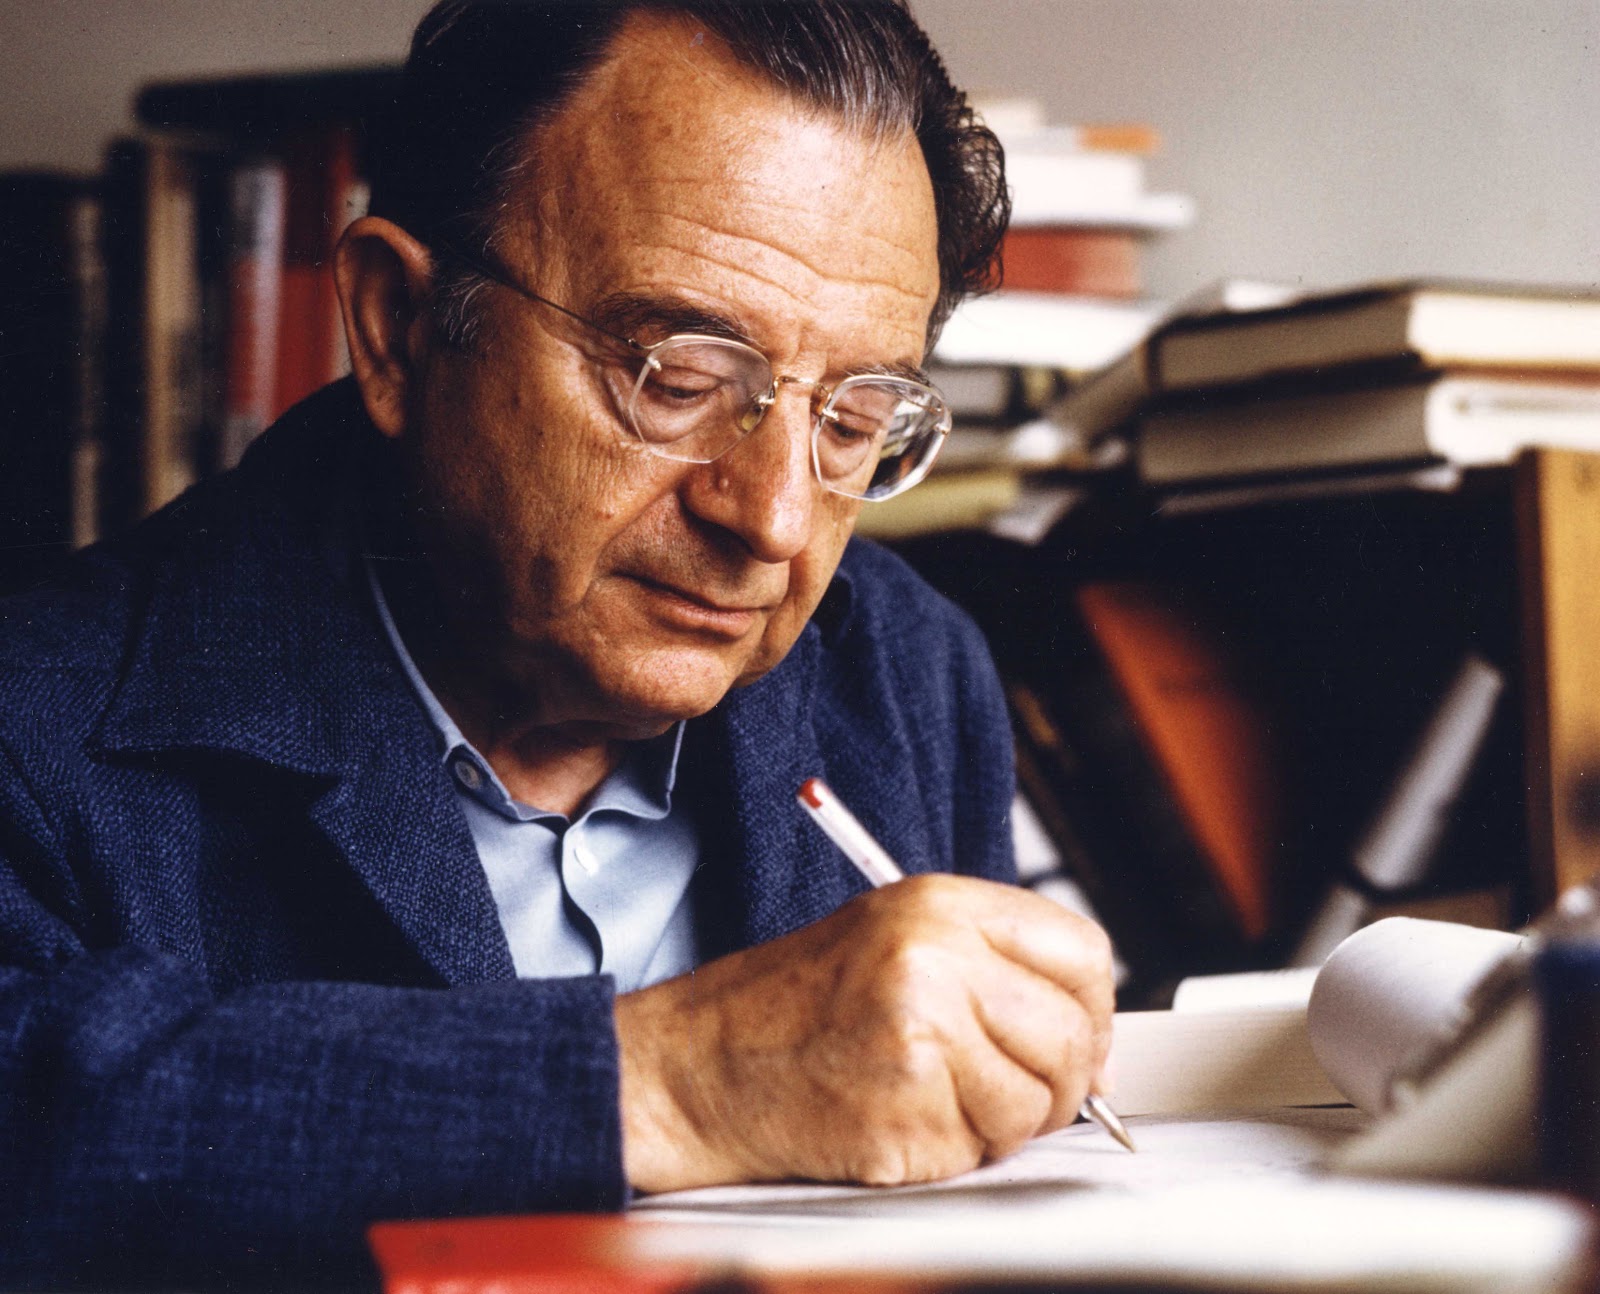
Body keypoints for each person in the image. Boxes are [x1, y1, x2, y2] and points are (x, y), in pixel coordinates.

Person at [0, 0, 1114, 1284]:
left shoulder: (906, 672)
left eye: (855, 419)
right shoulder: (43, 725)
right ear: (397, 327)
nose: (772, 518)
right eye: (679, 378)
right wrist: (679, 1082)